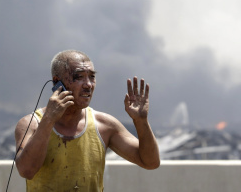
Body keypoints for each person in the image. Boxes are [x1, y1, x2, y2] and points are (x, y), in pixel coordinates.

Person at [14, 50, 160, 191]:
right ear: (57, 82)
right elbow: (27, 171)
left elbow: (151, 162)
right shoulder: (31, 123)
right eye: (79, 77)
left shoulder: (104, 125)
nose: (88, 84)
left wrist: (141, 121)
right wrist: (49, 120)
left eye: (91, 77)